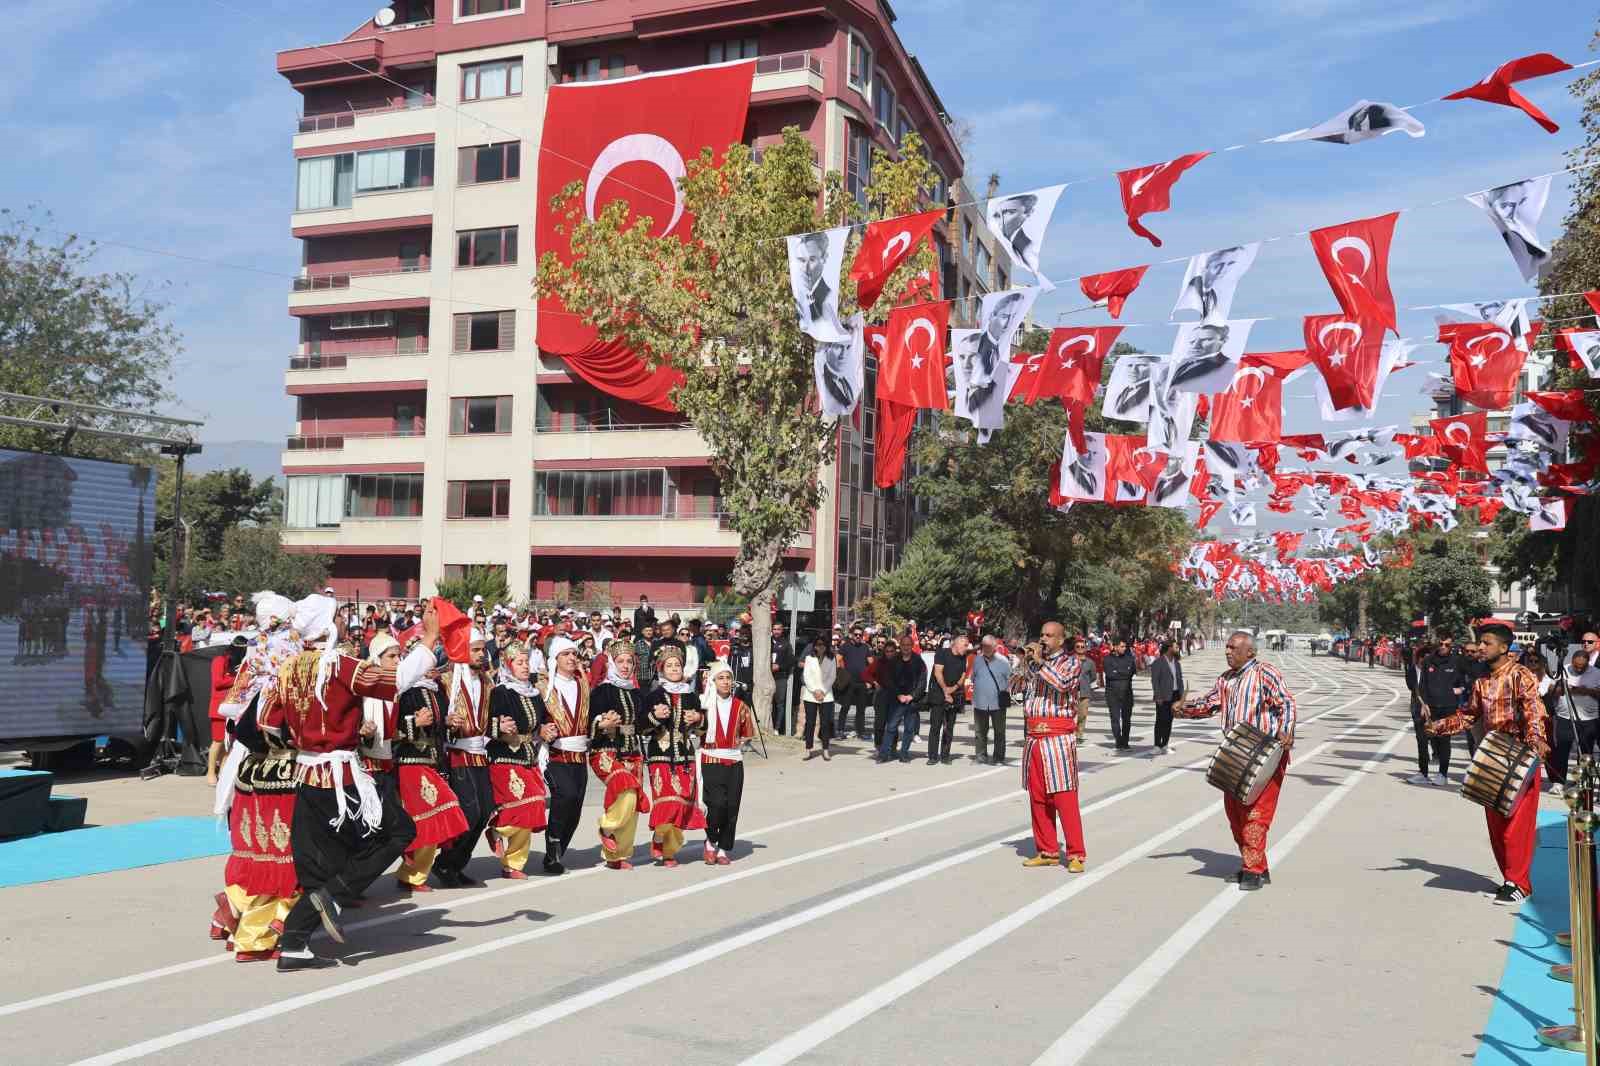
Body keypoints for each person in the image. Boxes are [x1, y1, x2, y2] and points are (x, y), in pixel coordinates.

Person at [259, 596, 437, 971]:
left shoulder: (287, 668)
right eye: (338, 615)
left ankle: (294, 942)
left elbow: (267, 723)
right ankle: (330, 898)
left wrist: (301, 739)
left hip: (305, 774)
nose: (343, 620)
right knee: (397, 831)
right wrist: (430, 638)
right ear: (326, 625)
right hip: (339, 777)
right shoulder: (339, 664)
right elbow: (395, 680)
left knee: (315, 861)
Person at [1428, 622, 1550, 904]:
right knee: (1496, 823)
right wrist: (1439, 726)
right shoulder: (1481, 681)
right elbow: (1469, 715)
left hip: (1521, 755)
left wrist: (1537, 738)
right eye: (1480, 643)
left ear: (1504, 648)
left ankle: (1519, 883)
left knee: (1516, 825)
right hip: (1492, 753)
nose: (1480, 648)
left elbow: (1534, 711)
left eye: (1486, 643)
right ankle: (1510, 878)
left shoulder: (1522, 675)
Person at [1178, 631, 1297, 892]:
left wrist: (1286, 729)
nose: (1228, 651)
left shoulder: (1265, 673)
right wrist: (1183, 709)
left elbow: (1286, 702)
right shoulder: (1226, 679)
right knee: (1235, 814)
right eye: (1227, 647)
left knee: (1256, 813)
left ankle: (1252, 871)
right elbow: (1209, 704)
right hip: (1236, 752)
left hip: (1265, 753)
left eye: (1233, 647)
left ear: (1250, 652)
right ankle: (1256, 865)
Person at [1021, 622, 1088, 871]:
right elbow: (1015, 689)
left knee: (1064, 795)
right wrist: (1023, 666)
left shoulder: (1071, 663)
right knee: (1038, 797)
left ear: (1061, 640)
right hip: (1034, 738)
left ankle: (1075, 854)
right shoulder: (1035, 664)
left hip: (1058, 739)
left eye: (1049, 636)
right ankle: (1047, 849)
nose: (1043, 639)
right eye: (1041, 635)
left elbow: (1061, 684)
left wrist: (1039, 663)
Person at [432, 630, 496, 889]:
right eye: (476, 649)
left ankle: (455, 864)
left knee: (484, 812)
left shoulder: (487, 682)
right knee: (469, 812)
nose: (482, 654)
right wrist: (446, 721)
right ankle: (445, 863)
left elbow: (489, 717)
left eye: (483, 649)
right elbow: (435, 713)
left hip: (479, 752)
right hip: (456, 751)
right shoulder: (445, 680)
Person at [486, 643, 548, 880]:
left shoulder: (534, 693)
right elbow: (488, 723)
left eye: (526, 662)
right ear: (509, 665)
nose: (525, 667)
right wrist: (500, 727)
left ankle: (512, 863)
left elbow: (538, 724)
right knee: (527, 804)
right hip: (505, 755)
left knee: (535, 804)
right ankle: (498, 830)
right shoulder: (501, 691)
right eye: (519, 663)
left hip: (527, 756)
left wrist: (544, 730)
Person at [639, 646, 705, 866]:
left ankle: (669, 851)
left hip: (685, 757)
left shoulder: (691, 696)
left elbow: (702, 731)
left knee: (682, 804)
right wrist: (655, 717)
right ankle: (659, 837)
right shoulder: (654, 695)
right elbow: (641, 727)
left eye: (677, 665)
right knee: (667, 802)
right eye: (670, 665)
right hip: (660, 756)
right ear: (661, 669)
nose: (675, 668)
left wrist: (698, 719)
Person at [587, 640, 647, 870]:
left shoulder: (636, 693)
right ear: (612, 662)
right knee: (626, 789)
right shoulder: (603, 690)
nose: (625, 666)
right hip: (606, 751)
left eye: (629, 661)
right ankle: (607, 826)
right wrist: (603, 723)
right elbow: (590, 722)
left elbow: (643, 723)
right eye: (620, 661)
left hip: (633, 752)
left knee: (630, 807)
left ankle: (617, 856)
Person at [538, 636, 591, 875]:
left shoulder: (583, 684)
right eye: (566, 654)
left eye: (574, 654)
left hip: (580, 755)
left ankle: (559, 852)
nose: (572, 658)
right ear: (555, 659)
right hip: (556, 754)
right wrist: (539, 729)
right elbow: (532, 715)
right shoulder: (544, 686)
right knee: (565, 797)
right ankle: (552, 854)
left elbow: (592, 715)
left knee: (576, 807)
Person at [698, 660, 755, 865]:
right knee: (717, 804)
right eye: (721, 678)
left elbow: (747, 733)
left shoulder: (741, 707)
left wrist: (740, 741)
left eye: (728, 678)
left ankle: (723, 848)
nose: (725, 682)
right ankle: (710, 840)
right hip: (711, 758)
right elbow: (695, 730)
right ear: (713, 681)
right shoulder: (703, 704)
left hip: (734, 759)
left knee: (732, 806)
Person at [1544, 647, 1600, 797]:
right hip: (1565, 717)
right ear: (1572, 662)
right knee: (1561, 750)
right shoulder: (1563, 670)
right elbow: (1550, 688)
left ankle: (1583, 781)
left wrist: (1586, 690)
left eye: (1581, 667)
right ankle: (1559, 783)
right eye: (1576, 666)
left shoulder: (1596, 673)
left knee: (1585, 752)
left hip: (1588, 719)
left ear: (1588, 664)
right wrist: (1562, 689)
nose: (1578, 669)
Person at [1415, 633, 1468, 786]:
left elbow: (1469, 680)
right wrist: (1424, 705)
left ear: (1451, 646)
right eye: (1441, 644)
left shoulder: (1457, 661)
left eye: (1447, 645)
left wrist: (1461, 690)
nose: (1443, 647)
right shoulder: (1428, 661)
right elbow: (1422, 685)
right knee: (1428, 738)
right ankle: (1423, 772)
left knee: (1444, 740)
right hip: (1430, 707)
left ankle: (1442, 773)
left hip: (1448, 706)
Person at [876, 636, 927, 764]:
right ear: (900, 645)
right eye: (903, 645)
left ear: (912, 645)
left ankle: (904, 753)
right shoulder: (894, 660)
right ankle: (884, 754)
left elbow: (922, 681)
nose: (906, 647)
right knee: (891, 727)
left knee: (910, 729)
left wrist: (912, 696)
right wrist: (898, 695)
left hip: (911, 700)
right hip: (897, 699)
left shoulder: (918, 661)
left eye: (908, 645)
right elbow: (888, 680)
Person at [927, 633, 970, 765]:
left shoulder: (963, 658)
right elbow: (938, 672)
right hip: (939, 693)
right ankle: (933, 756)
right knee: (935, 726)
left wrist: (954, 688)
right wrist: (946, 690)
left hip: (954, 694)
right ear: (956, 644)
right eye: (965, 645)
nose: (967, 647)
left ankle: (945, 755)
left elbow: (963, 676)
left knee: (949, 727)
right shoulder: (942, 653)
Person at [970, 634, 1012, 766]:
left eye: (988, 646)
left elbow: (1010, 678)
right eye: (983, 646)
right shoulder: (977, 660)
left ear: (994, 646)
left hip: (997, 703)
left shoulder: (1003, 661)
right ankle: (981, 756)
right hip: (980, 701)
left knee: (999, 732)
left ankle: (998, 758)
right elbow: (973, 677)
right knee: (980, 732)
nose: (985, 648)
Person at [801, 634, 838, 761]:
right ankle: (808, 749)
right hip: (811, 695)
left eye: (822, 644)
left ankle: (826, 750)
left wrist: (822, 691)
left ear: (826, 645)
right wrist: (815, 690)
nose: (820, 647)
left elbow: (832, 676)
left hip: (826, 695)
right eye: (817, 645)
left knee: (825, 723)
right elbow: (807, 676)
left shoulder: (832, 658)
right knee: (810, 722)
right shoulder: (809, 658)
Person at [836, 624, 873, 740]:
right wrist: (842, 675)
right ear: (851, 635)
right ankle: (840, 730)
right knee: (845, 706)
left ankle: (860, 732)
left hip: (862, 682)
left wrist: (870, 680)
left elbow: (871, 664)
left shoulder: (865, 647)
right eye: (856, 634)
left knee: (861, 709)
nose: (858, 636)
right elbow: (837, 660)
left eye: (860, 635)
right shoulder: (845, 646)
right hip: (849, 682)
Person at [1149, 640, 1185, 756]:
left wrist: (1182, 697)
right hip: (1163, 696)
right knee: (1160, 720)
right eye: (1175, 646)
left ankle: (1165, 745)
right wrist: (1158, 696)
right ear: (1169, 648)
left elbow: (1180, 680)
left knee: (1169, 721)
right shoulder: (1158, 663)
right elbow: (1155, 681)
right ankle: (1156, 745)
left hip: (1175, 695)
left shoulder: (1177, 663)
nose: (1177, 648)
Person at [1102, 636, 1137, 751]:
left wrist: (1119, 672)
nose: (1124, 648)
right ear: (1115, 647)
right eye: (1121, 646)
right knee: (1115, 719)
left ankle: (1125, 742)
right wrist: (1123, 673)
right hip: (1113, 694)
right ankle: (1119, 741)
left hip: (1127, 693)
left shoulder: (1129, 658)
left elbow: (1131, 673)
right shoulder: (1107, 659)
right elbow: (1110, 674)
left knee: (1127, 719)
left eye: (1125, 646)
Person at [991, 193, 1038, 270]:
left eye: (1009, 212)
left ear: (1027, 213)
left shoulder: (1029, 248)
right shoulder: (998, 239)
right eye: (997, 215)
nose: (1002, 220)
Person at [770, 620, 795, 735]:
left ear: (782, 630)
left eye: (778, 629)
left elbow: (791, 660)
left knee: (779, 703)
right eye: (774, 629)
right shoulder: (767, 642)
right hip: (767, 677)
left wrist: (779, 666)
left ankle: (777, 728)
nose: (776, 631)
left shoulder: (786, 644)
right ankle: (769, 725)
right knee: (769, 702)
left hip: (780, 677)